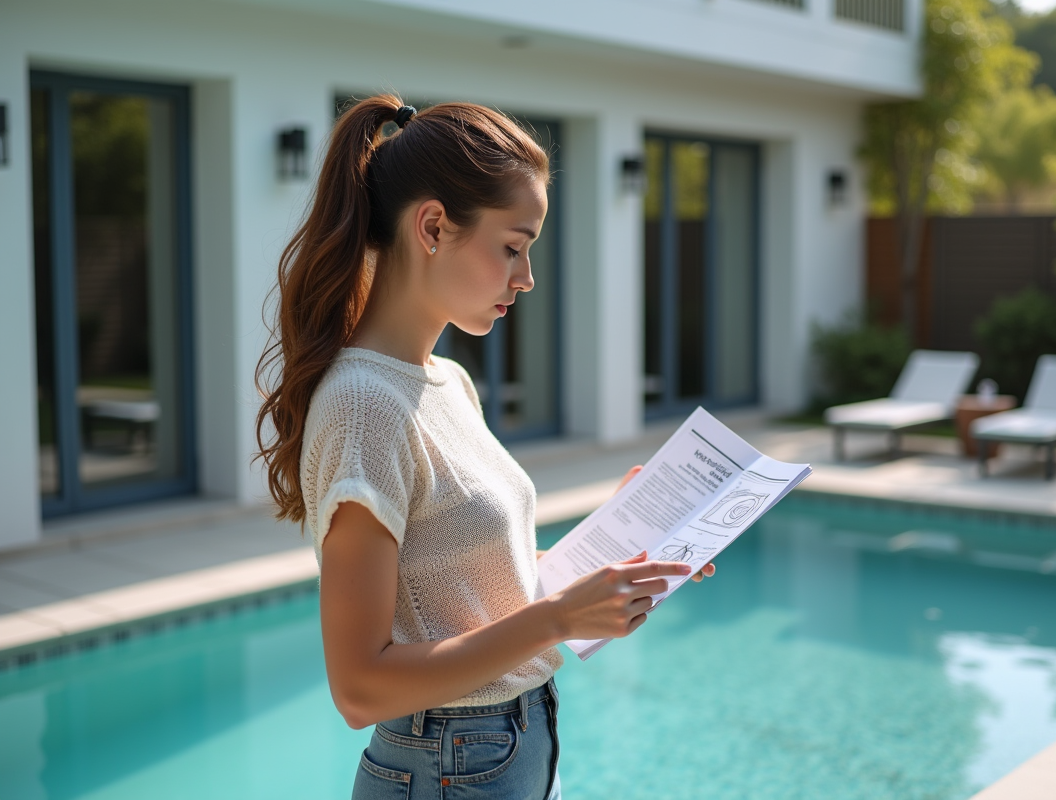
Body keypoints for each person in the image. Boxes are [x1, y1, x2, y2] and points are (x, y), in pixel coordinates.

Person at [254, 95, 715, 800]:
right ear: (433, 227)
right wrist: (558, 619)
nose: (526, 277)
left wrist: (623, 548)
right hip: (447, 764)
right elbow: (360, 687)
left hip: (511, 747)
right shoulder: (362, 406)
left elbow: (469, 582)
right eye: (513, 246)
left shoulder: (447, 382)